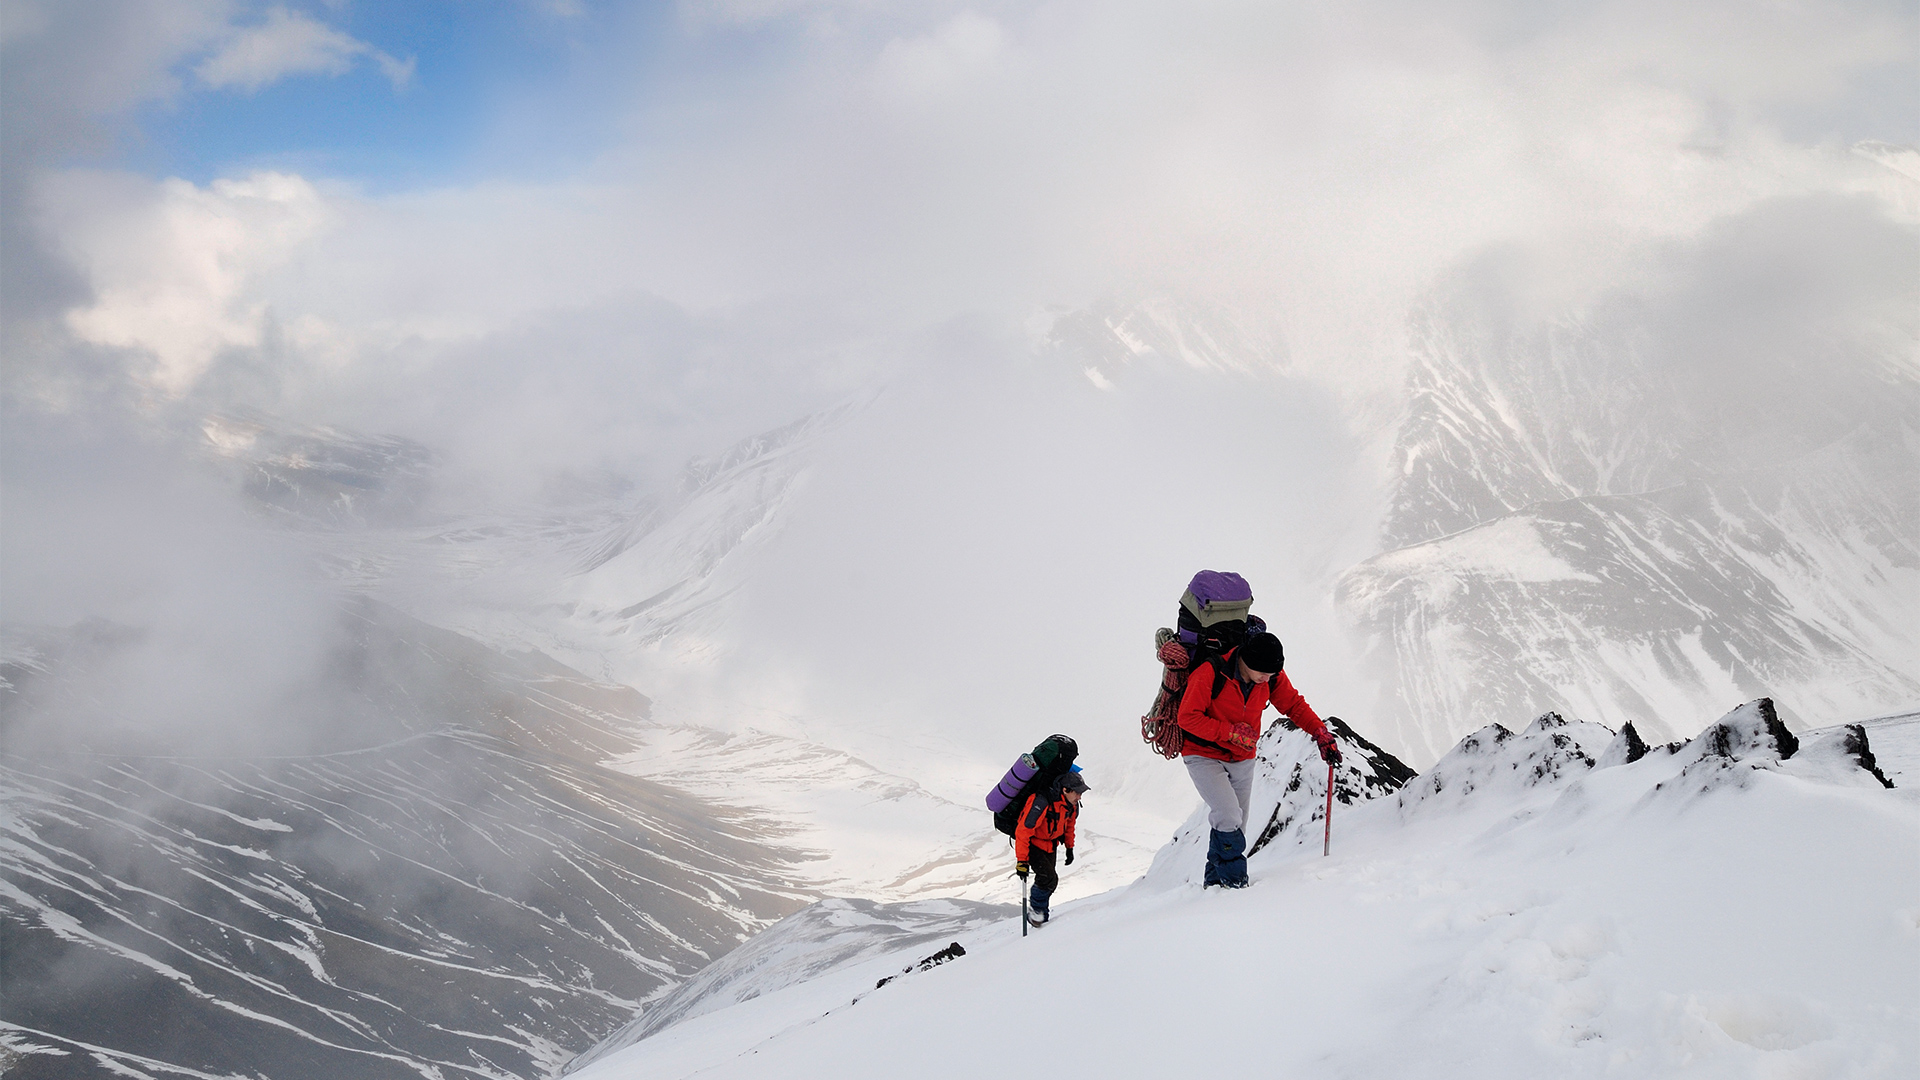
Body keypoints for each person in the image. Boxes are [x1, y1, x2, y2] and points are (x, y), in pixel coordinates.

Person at [1176, 630, 1339, 888]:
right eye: (1263, 672)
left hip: (1242, 756)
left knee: (1236, 824)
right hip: (1203, 753)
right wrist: (1230, 733)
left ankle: (1214, 886)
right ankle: (1234, 883)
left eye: (1272, 674)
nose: (1267, 678)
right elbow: (1187, 717)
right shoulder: (1211, 672)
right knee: (1228, 815)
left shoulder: (1269, 677)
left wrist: (1320, 732)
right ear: (1245, 660)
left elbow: (1294, 705)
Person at [1014, 770, 1086, 927]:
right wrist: (1022, 861)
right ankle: (1036, 913)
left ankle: (1042, 917)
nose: (1079, 797)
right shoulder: (1041, 802)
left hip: (1051, 845)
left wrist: (1069, 847)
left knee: (1049, 881)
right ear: (1065, 790)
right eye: (1077, 792)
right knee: (1048, 879)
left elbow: (1070, 825)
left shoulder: (1071, 806)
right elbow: (1023, 831)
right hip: (1033, 845)